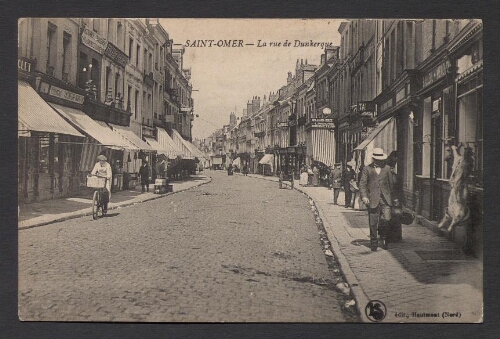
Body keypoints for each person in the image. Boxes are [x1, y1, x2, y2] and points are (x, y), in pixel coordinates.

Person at [359, 148, 396, 251]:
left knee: (387, 219)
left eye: (381, 159)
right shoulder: (367, 169)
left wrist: (393, 198)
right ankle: (374, 242)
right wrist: (364, 196)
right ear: (374, 159)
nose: (380, 161)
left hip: (386, 199)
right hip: (372, 199)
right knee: (373, 222)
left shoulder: (387, 168)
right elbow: (362, 184)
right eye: (377, 159)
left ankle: (384, 238)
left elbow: (391, 184)